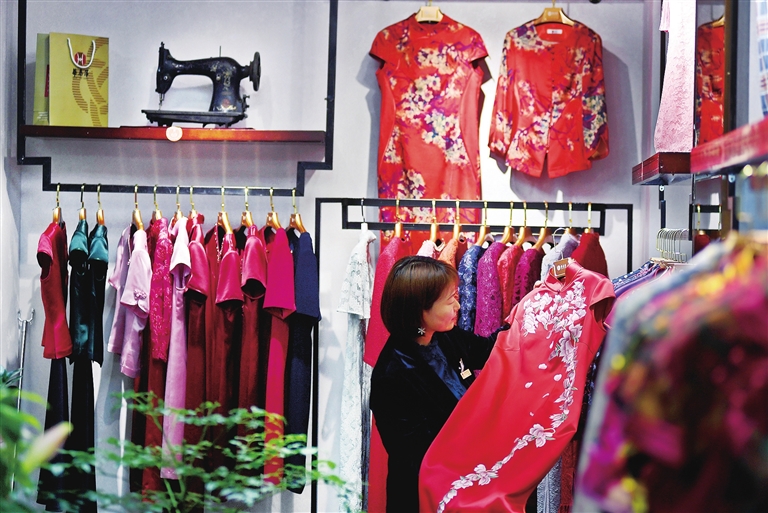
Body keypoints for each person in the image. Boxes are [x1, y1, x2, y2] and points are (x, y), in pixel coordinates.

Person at [370, 256, 505, 512]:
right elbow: (415, 456)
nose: (458, 305)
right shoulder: (393, 375)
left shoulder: (443, 336)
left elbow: (488, 349)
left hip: (465, 482)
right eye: (450, 299)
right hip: (427, 495)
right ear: (420, 309)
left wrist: (527, 314)